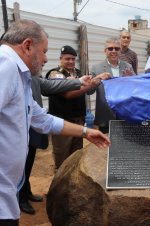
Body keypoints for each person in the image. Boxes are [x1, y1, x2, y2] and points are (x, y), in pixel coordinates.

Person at [0, 19, 110, 226]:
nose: (45, 58)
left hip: (7, 192)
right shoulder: (5, 65)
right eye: (43, 51)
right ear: (27, 46)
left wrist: (86, 132)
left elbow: (40, 118)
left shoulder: (18, 73)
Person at [19, 76, 90, 215]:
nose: (45, 59)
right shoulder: (8, 73)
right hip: (18, 131)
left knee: (28, 162)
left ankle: (26, 192)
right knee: (20, 166)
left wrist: (80, 81)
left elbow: (42, 116)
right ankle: (21, 199)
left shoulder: (32, 77)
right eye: (43, 53)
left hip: (33, 126)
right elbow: (58, 89)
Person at [45, 45, 98, 169]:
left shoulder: (79, 73)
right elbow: (68, 95)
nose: (71, 61)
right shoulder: (55, 74)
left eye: (73, 59)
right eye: (67, 59)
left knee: (76, 155)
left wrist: (95, 83)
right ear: (60, 59)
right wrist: (89, 85)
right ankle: (59, 184)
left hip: (78, 120)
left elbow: (88, 92)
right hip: (62, 122)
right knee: (62, 156)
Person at [90, 37, 136, 133]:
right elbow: (89, 91)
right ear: (105, 51)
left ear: (120, 51)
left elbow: (135, 89)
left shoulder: (128, 67)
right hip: (105, 118)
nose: (114, 51)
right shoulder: (96, 68)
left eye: (117, 48)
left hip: (125, 116)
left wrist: (131, 81)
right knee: (106, 147)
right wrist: (97, 79)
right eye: (110, 49)